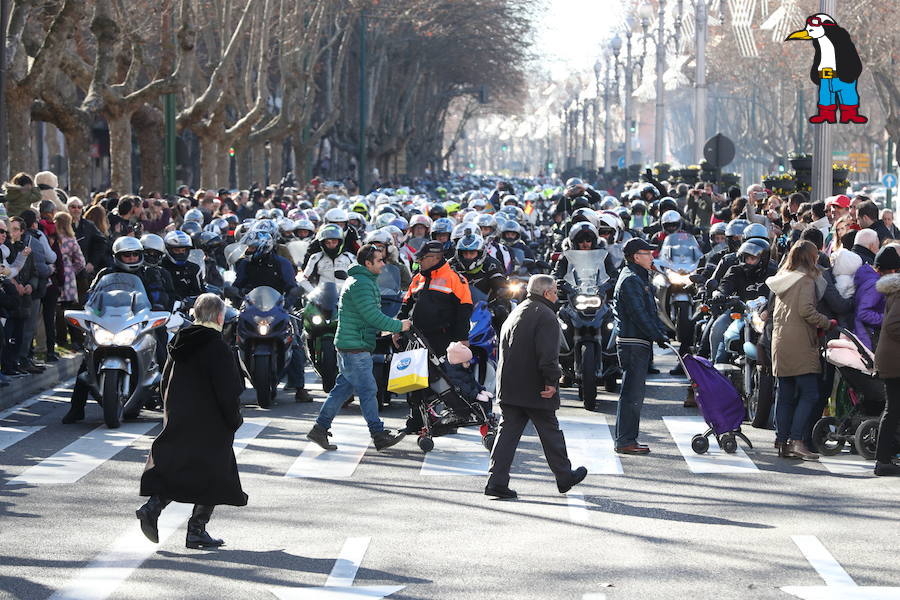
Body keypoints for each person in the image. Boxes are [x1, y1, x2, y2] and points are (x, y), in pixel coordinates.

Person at [137, 294, 246, 549]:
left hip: (179, 413)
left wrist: (170, 409)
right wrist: (234, 419)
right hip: (210, 420)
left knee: (179, 466)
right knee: (216, 472)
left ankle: (153, 507)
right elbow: (227, 390)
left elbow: (165, 378)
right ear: (220, 317)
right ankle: (197, 529)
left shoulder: (179, 341)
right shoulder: (217, 346)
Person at [485, 274, 587, 499]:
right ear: (547, 293)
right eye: (555, 292)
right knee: (551, 432)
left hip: (510, 384)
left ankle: (496, 481)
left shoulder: (519, 309)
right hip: (534, 385)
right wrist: (551, 381)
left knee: (507, 434)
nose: (557, 296)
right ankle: (563, 476)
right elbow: (548, 355)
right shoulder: (546, 315)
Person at [306, 244, 411, 451]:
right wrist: (399, 325)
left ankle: (319, 429)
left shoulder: (361, 280)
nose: (383, 264)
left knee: (341, 389)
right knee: (368, 390)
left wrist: (386, 331)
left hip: (351, 344)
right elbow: (371, 315)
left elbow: (366, 316)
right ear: (367, 263)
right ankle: (378, 434)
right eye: (379, 260)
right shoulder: (362, 283)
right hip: (355, 348)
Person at [766, 240, 836, 461]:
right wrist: (826, 322)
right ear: (811, 257)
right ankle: (797, 441)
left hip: (781, 341)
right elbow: (806, 310)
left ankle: (782, 439)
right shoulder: (805, 281)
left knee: (785, 393)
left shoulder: (783, 279)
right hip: (801, 342)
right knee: (809, 393)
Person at [397, 240, 473, 433]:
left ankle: (448, 418)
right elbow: (405, 306)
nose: (419, 262)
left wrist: (461, 340)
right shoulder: (417, 279)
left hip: (441, 339)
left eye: (422, 259)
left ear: (435, 258)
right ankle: (416, 419)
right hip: (415, 339)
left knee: (440, 379)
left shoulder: (455, 279)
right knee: (413, 380)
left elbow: (464, 311)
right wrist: (397, 328)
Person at [613, 238, 670, 454]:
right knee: (632, 395)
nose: (651, 257)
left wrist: (659, 332)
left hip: (637, 342)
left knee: (633, 393)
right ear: (636, 256)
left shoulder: (637, 277)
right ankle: (625, 440)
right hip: (632, 343)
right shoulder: (630, 280)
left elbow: (649, 311)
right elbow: (638, 314)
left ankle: (627, 438)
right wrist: (656, 334)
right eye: (647, 253)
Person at [872, 245, 900, 476]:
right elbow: (893, 325)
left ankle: (884, 458)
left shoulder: (894, 290)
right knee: (893, 410)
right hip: (895, 360)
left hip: (890, 357)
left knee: (893, 409)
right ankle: (882, 460)